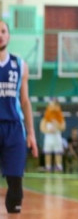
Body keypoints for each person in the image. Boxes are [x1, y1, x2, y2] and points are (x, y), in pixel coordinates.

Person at [0, 20, 38, 214]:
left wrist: (31, 133)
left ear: (8, 36)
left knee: (16, 186)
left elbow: (25, 101)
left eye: (3, 31)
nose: (0, 35)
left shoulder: (20, 65)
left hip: (14, 128)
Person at [39, 99, 66, 172]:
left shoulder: (60, 118)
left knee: (58, 152)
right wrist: (48, 131)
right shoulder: (45, 118)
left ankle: (59, 166)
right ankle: (48, 166)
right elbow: (42, 128)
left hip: (57, 138)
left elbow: (63, 127)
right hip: (48, 138)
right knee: (47, 152)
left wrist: (57, 125)